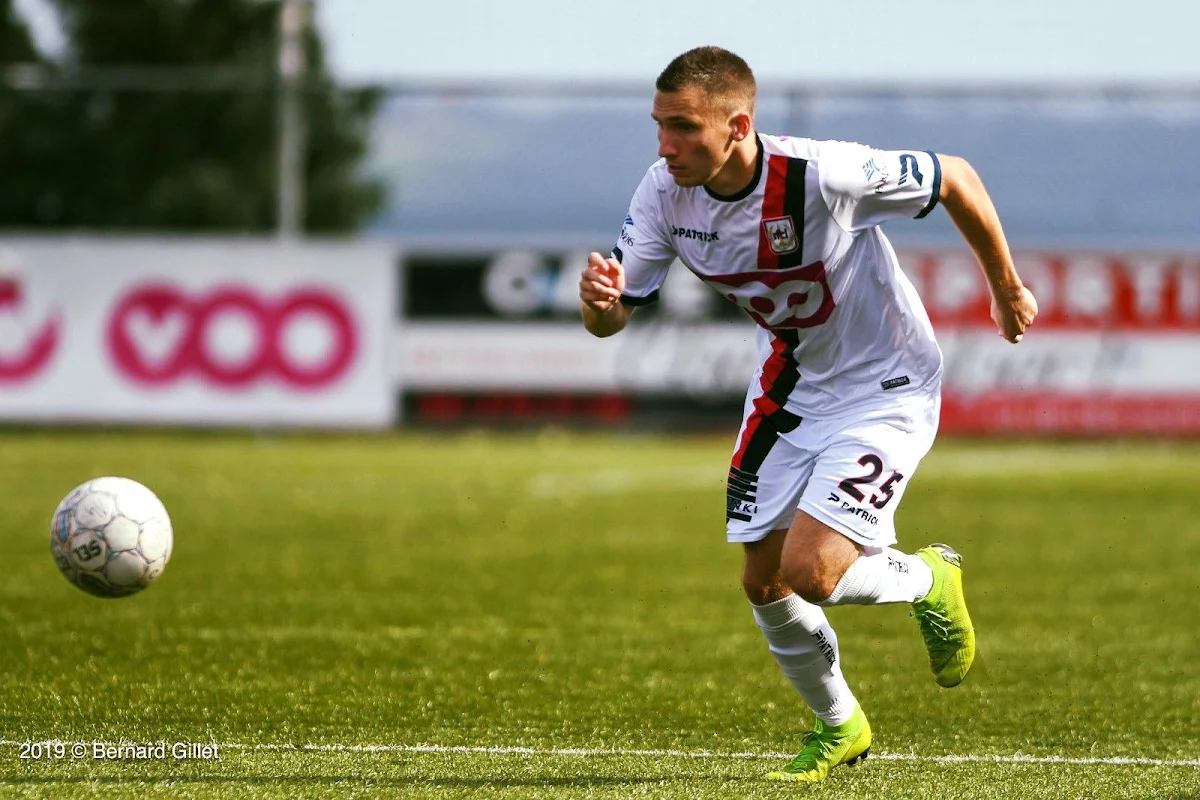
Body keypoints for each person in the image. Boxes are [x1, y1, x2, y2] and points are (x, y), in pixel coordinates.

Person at [577, 46, 1037, 784]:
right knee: (762, 579)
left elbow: (956, 176)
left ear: (738, 125)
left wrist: (1005, 287)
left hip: (887, 383)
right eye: (659, 126)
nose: (666, 146)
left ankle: (927, 580)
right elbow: (614, 315)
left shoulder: (825, 176)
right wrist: (599, 307)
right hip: (793, 386)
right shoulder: (664, 192)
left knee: (812, 572)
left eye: (684, 127)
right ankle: (840, 726)